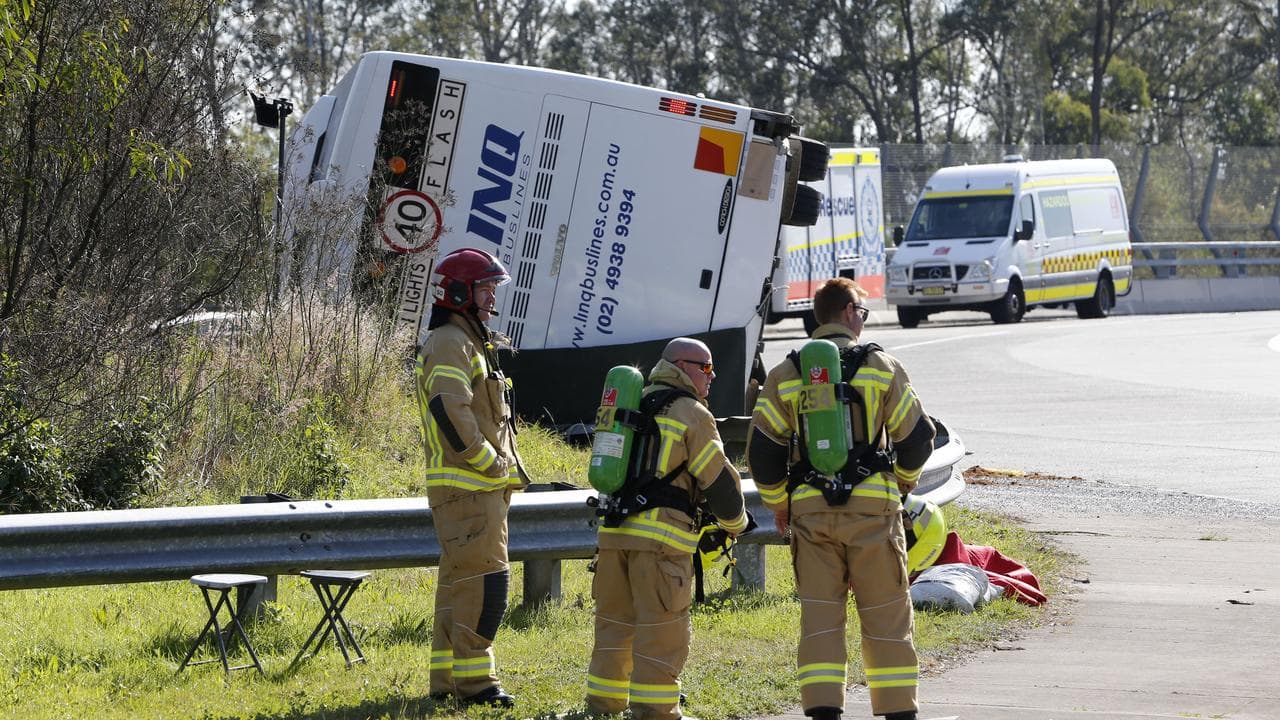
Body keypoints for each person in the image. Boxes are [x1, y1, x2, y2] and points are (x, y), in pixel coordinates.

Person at [747, 278, 935, 720]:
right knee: (887, 614)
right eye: (863, 313)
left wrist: (779, 504)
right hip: (873, 511)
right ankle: (897, 712)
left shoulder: (786, 373)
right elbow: (918, 438)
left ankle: (823, 711)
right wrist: (903, 482)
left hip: (811, 513)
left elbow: (763, 451)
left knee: (820, 617)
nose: (862, 320)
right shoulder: (880, 366)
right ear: (850, 313)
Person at [585, 337, 749, 720]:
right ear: (682, 366)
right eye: (706, 368)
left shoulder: (631, 402)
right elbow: (718, 481)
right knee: (662, 631)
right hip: (660, 544)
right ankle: (656, 711)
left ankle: (604, 706)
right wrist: (736, 523)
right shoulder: (691, 412)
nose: (712, 376)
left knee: (613, 627)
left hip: (613, 536)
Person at [414, 247, 528, 707]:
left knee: (461, 589)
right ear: (460, 291)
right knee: (485, 588)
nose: (491, 300)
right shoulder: (450, 343)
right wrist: (489, 462)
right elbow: (449, 409)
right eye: (485, 290)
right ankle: (477, 687)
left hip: (473, 493)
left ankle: (448, 684)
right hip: (470, 489)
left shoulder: (465, 340)